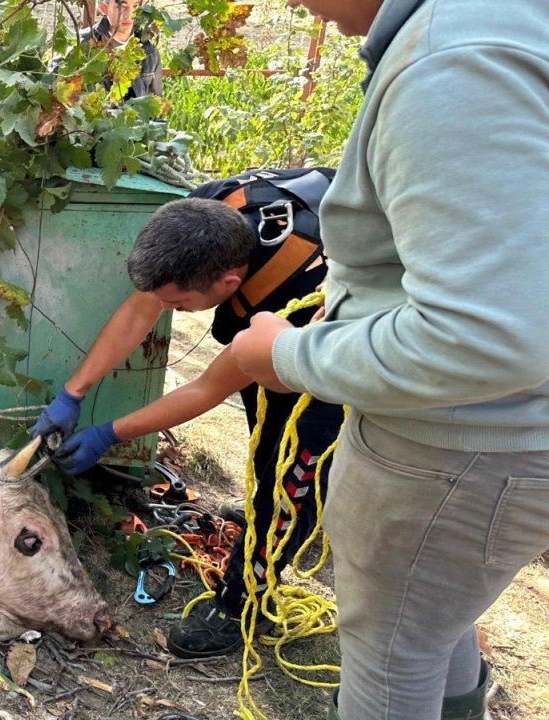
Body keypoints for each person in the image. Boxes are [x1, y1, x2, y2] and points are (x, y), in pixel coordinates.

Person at [229, 1, 549, 718]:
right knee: (430, 623)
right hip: (491, 441)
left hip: (455, 447)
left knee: (390, 654)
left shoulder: (454, 62)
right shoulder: (497, 26)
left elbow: (486, 337)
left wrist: (290, 354)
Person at [29, 170, 343, 659]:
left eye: (179, 304)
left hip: (328, 353)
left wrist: (110, 433)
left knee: (291, 470)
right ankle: (266, 520)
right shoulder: (207, 213)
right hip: (272, 326)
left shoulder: (301, 291)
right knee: (264, 438)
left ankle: (243, 603)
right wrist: (74, 392)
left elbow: (210, 385)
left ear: (229, 282)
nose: (168, 310)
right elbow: (141, 308)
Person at [80, 0, 161, 98]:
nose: (129, 14)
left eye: (135, 6)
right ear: (104, 8)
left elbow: (157, 101)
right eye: (121, 6)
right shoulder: (83, 45)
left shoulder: (150, 52)